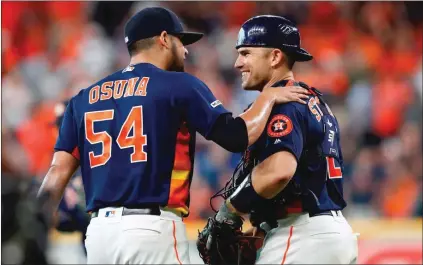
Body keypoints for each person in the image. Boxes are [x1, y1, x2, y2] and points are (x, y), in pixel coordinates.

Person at [36, 7, 310, 265]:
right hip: (151, 229)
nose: (186, 52)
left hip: (99, 235)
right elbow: (237, 136)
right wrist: (268, 97)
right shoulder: (178, 85)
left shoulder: (82, 99)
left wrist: (34, 225)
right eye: (182, 42)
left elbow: (57, 173)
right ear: (164, 39)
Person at [201, 15, 359, 264]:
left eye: (246, 53)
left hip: (301, 236)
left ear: (275, 57)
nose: (237, 63)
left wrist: (231, 210)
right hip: (330, 232)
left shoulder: (284, 103)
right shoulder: (312, 100)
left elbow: (279, 171)